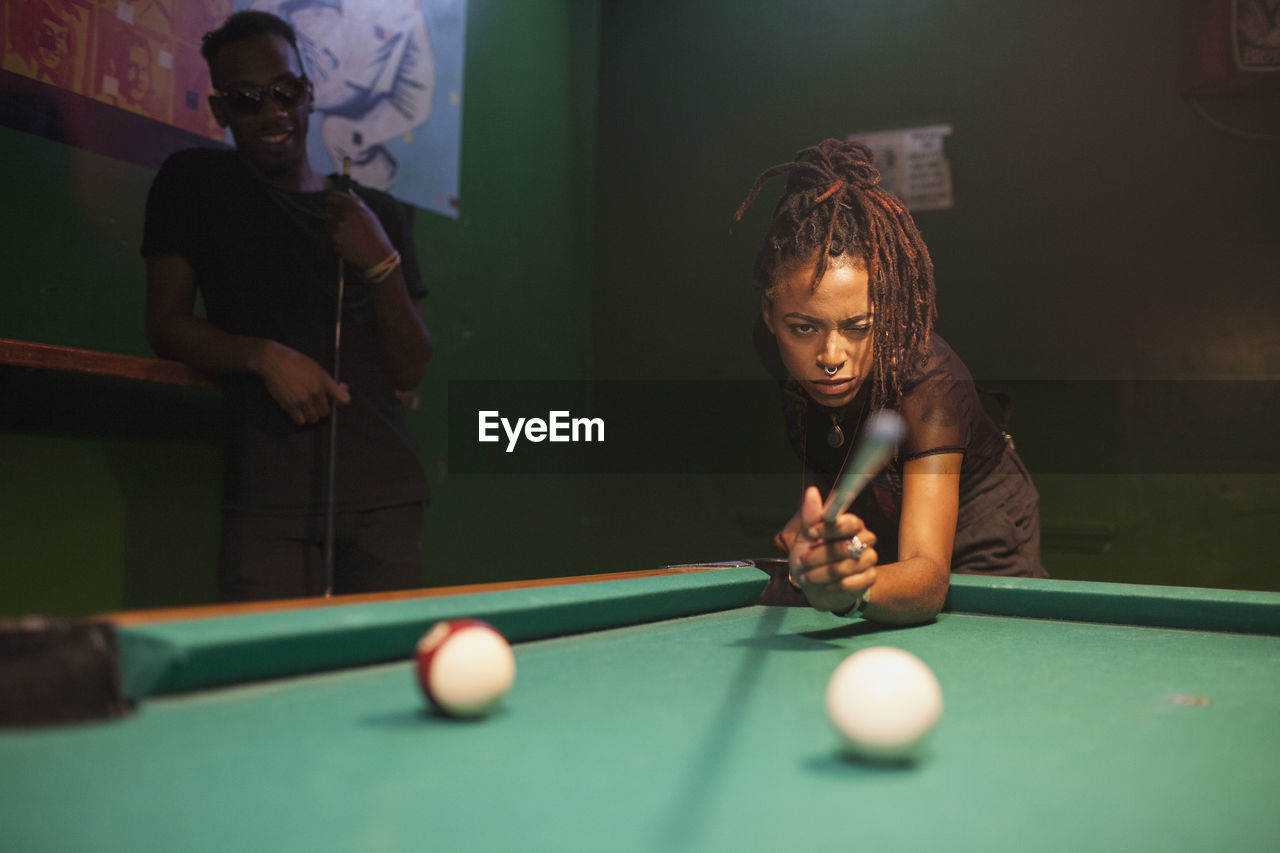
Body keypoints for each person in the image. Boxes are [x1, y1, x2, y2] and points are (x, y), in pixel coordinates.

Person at [142, 10, 433, 601]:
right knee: (268, 683)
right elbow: (166, 324)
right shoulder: (194, 184)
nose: (274, 112)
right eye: (248, 99)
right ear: (222, 110)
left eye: (287, 91)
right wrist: (262, 356)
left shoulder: (373, 213)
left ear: (309, 93)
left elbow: (412, 366)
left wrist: (380, 261)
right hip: (269, 502)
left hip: (386, 497)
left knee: (379, 680)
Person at [736, 138, 1045, 626]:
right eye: (804, 328)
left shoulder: (930, 386)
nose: (830, 357)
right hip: (883, 504)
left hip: (980, 529)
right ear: (771, 317)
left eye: (859, 327)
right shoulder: (772, 344)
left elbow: (927, 576)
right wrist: (814, 518)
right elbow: (824, 434)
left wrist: (848, 589)